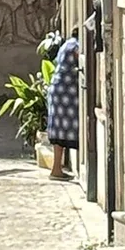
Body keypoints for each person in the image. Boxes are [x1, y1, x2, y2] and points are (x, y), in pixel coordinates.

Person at [45, 32, 80, 181]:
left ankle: (57, 168)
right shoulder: (77, 45)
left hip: (57, 89)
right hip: (66, 92)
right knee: (64, 129)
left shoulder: (66, 44)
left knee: (58, 129)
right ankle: (56, 169)